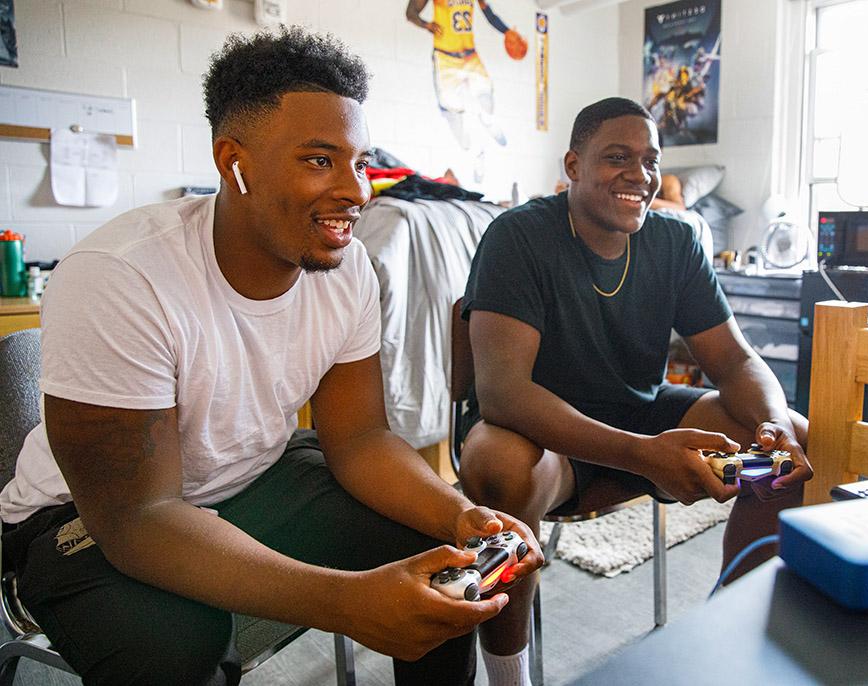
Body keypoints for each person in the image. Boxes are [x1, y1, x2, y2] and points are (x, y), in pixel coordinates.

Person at [0, 28, 541, 686]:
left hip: (252, 478)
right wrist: (350, 603)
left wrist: (459, 514)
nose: (357, 191)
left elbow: (361, 439)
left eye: (360, 162)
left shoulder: (348, 272)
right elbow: (140, 520)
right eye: (320, 161)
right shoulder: (121, 276)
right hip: (89, 521)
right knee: (175, 651)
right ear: (235, 163)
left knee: (447, 555)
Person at [458, 97, 812, 686]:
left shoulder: (675, 240)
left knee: (783, 445)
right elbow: (503, 394)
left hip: (642, 416)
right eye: (617, 156)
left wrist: (772, 422)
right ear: (573, 165)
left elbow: (733, 359)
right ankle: (508, 675)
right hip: (546, 438)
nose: (640, 175)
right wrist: (642, 454)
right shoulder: (518, 235)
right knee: (497, 463)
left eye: (650, 161)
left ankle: (733, 631)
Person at [406, 0, 517, 179]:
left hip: (470, 55)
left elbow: (489, 14)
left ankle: (488, 123)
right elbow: (411, 12)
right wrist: (426, 25)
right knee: (453, 114)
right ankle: (473, 155)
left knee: (486, 99)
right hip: (445, 58)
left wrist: (507, 31)